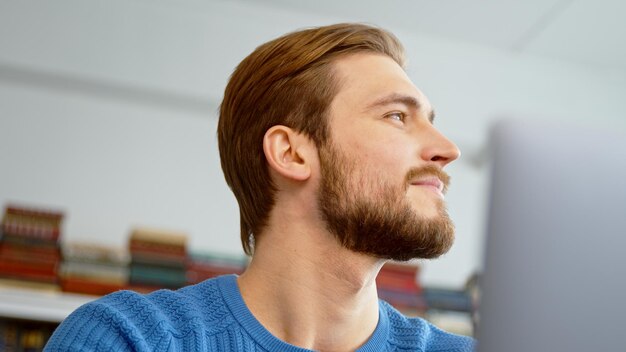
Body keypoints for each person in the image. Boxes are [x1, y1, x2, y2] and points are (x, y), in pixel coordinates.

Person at [45, 23, 474, 351]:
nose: (447, 149)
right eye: (397, 116)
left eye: (431, 122)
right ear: (290, 153)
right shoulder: (126, 339)